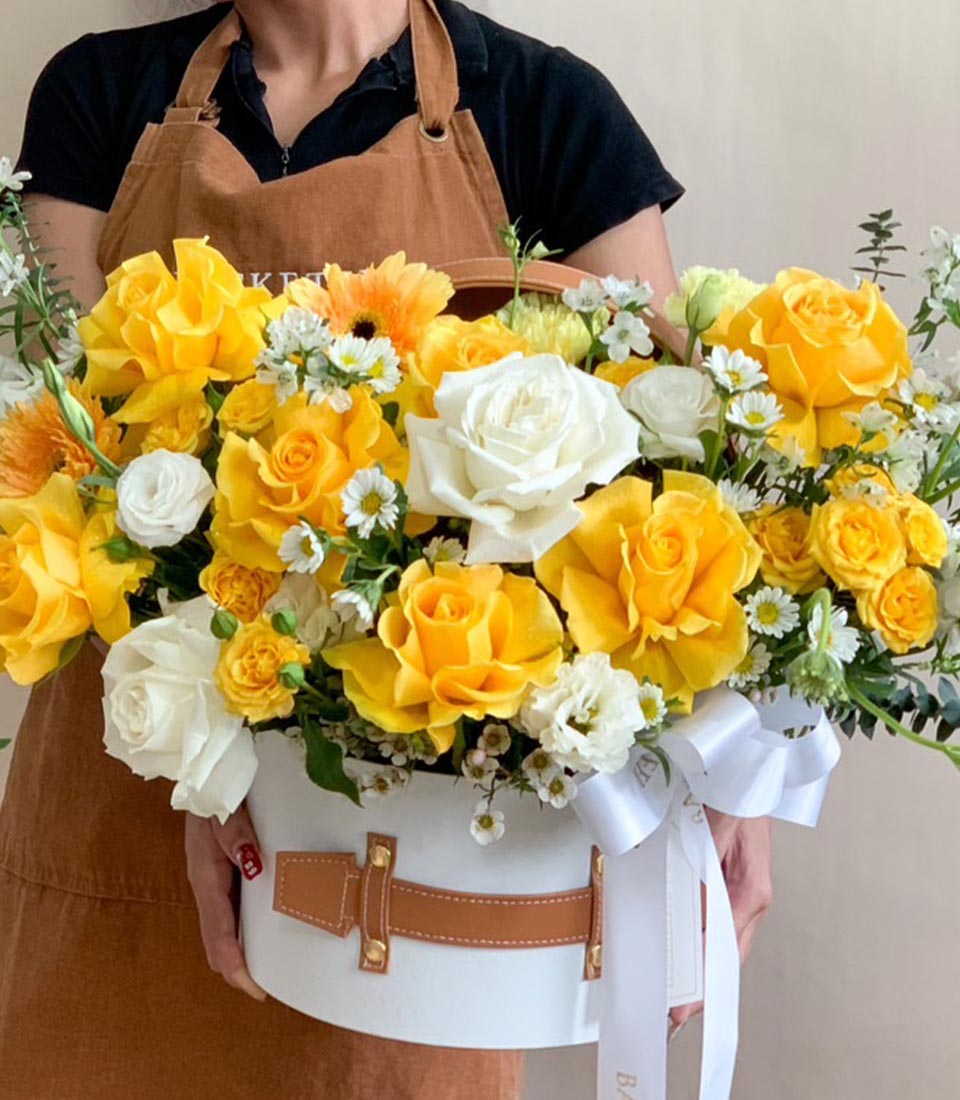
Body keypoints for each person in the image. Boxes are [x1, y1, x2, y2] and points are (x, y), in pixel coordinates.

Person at [0, 1, 772, 1097]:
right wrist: (216, 771)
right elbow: (57, 468)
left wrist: (728, 766)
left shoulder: (545, 111)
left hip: (400, 840)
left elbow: (676, 488)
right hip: (129, 780)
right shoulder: (96, 95)